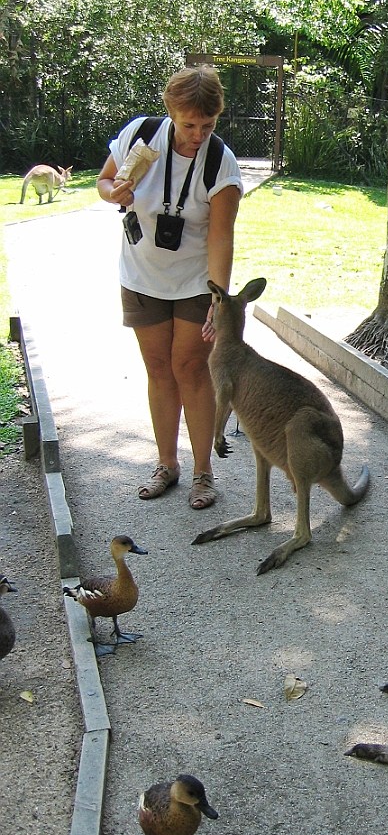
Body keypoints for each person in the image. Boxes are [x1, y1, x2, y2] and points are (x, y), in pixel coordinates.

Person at [97, 64, 242, 509]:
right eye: (189, 125)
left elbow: (220, 236)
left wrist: (219, 299)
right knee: (159, 369)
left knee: (191, 368)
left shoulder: (221, 163)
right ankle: (167, 464)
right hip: (141, 275)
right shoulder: (140, 135)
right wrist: (111, 192)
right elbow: (103, 181)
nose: (198, 134)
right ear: (171, 113)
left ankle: (203, 472)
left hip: (195, 282)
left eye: (208, 125)